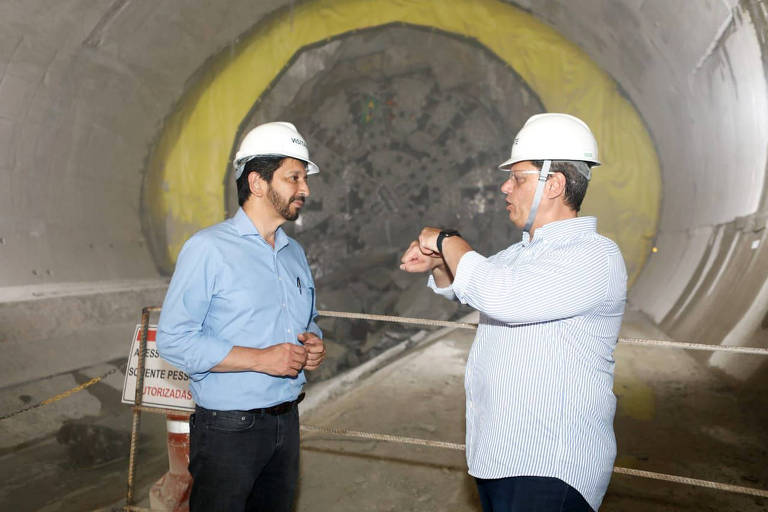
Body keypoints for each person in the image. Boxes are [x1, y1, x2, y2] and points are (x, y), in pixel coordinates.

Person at [400, 113, 627, 512]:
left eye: (518, 178)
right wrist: (438, 262)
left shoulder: (594, 255)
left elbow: (500, 295)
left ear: (554, 184)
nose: (505, 187)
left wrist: (445, 238)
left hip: (551, 465)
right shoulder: (524, 252)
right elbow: (476, 285)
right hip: (504, 458)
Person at [156, 121, 326, 512]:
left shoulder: (294, 253)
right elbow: (174, 339)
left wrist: (313, 343)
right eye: (294, 177)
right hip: (228, 430)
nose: (305, 189)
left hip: (287, 421)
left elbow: (308, 320)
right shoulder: (208, 249)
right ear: (258, 182)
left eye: (304, 178)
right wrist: (261, 359)